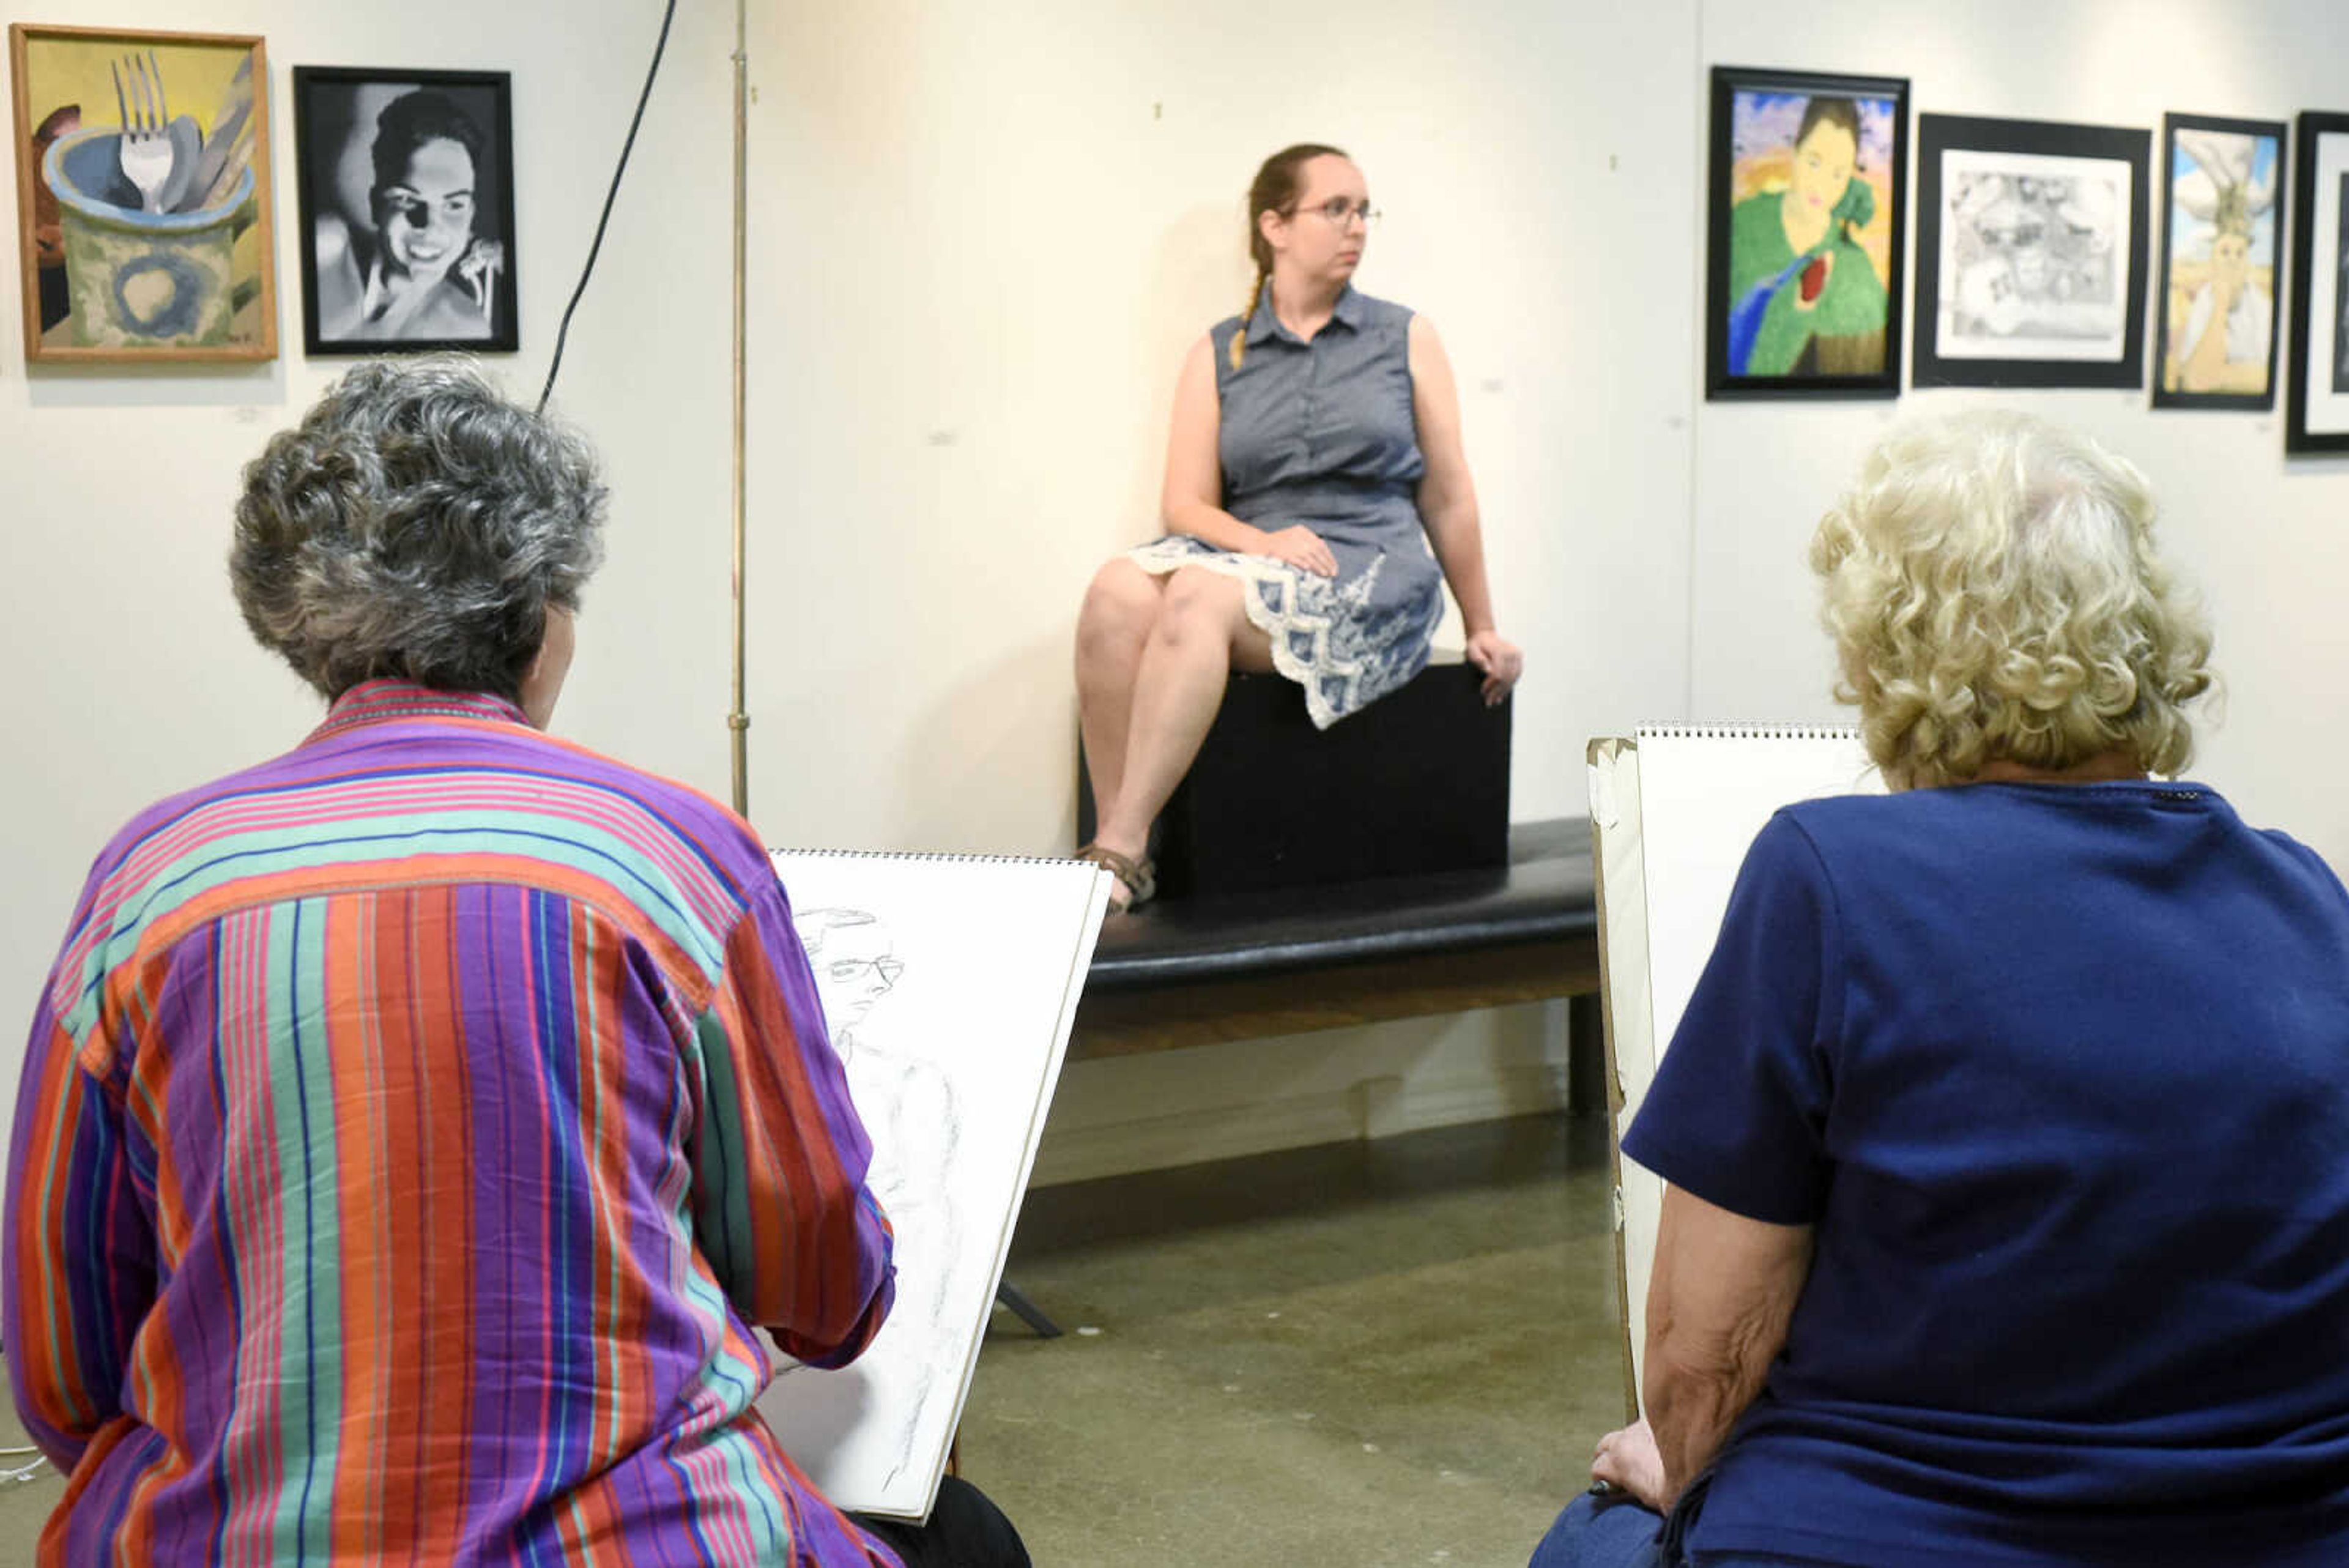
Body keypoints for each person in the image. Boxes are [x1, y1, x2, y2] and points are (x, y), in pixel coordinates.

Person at [2, 360, 1026, 1567]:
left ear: (297, 626)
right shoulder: (674, 857)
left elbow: (63, 1366)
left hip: (216, 1543)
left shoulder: (151, 881)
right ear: (540, 620)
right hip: (640, 1541)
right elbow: (827, 1287)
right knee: (970, 1543)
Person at [1533, 411, 2349, 1567]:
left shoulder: (1826, 875)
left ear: (1895, 653)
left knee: (1592, 1537)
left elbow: (1697, 1365)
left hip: (1887, 1536)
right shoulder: (2309, 899)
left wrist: (1681, 1464)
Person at [1073, 142, 1523, 911]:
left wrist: (1482, 622)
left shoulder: (1404, 336)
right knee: (1116, 591)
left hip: (1372, 563)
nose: (1357, 227)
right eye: (1335, 209)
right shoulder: (1221, 350)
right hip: (1259, 554)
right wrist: (1261, 544)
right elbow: (1186, 505)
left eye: (1363, 210)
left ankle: (1118, 846)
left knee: (1196, 599)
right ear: (1275, 227)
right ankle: (1127, 845)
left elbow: (1448, 496)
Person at [313, 89, 504, 343]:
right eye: (407, 200)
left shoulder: (463, 325)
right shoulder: (327, 251)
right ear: (376, 204)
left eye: (454, 205)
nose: (431, 227)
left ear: (471, 215)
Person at [1725, 97, 1887, 376]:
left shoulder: (1854, 268)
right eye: (1815, 163)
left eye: (1839, 174)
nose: (1823, 184)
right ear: (1795, 153)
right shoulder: (1745, 223)